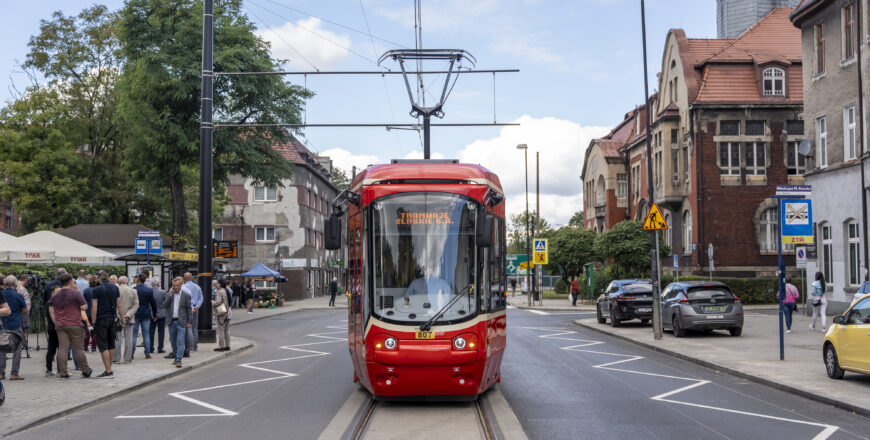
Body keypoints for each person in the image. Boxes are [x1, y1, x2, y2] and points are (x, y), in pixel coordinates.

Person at [47, 273, 92, 379]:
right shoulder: (75, 293)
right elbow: (84, 306)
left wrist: (56, 322)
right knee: (78, 349)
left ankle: (63, 372)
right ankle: (85, 370)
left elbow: (51, 310)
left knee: (63, 348)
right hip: (75, 324)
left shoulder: (55, 295)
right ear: (71, 281)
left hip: (60, 325)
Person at [91, 271, 120, 378]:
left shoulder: (97, 289)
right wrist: (123, 319)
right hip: (112, 318)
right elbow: (119, 305)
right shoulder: (115, 288)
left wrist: (93, 322)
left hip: (101, 319)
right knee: (111, 344)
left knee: (103, 345)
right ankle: (109, 367)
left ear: (99, 278)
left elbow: (94, 308)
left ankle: (107, 370)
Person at [1, 275, 27, 381]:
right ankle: (14, 373)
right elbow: (25, 309)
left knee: (1, 347)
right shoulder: (18, 295)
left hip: (3, 323)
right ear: (15, 284)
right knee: (17, 349)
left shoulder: (1, 294)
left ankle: (1, 373)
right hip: (15, 324)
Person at [163, 277, 192, 368]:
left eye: (177, 285)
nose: (176, 287)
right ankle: (176, 356)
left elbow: (189, 309)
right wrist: (169, 296)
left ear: (181, 285)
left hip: (181, 321)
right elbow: (165, 305)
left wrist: (189, 321)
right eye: (174, 285)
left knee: (180, 341)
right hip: (171, 321)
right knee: (172, 341)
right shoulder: (169, 294)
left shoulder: (185, 295)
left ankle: (179, 359)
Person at [43, 268, 65, 376]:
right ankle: (59, 369)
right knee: (60, 348)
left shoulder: (49, 300)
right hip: (57, 326)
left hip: (52, 327)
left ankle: (49, 369)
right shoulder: (57, 302)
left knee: (52, 348)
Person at [113, 276, 139, 364]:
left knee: (117, 338)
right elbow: (136, 305)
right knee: (129, 339)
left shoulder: (115, 290)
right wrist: (128, 315)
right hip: (129, 318)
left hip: (117, 318)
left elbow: (114, 304)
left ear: (119, 282)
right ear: (127, 282)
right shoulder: (133, 291)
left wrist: (119, 315)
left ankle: (116, 358)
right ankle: (127, 358)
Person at [132, 273, 157, 360]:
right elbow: (153, 303)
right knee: (146, 334)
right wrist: (155, 314)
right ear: (145, 280)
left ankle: (131, 353)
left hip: (135, 314)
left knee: (134, 334)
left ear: (138, 279)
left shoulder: (133, 289)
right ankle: (147, 353)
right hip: (146, 313)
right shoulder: (149, 290)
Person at [183, 272, 202, 353]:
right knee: (194, 328)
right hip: (195, 308)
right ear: (191, 278)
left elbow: (185, 300)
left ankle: (190, 346)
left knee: (189, 328)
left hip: (188, 309)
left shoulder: (183, 287)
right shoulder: (197, 287)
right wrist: (197, 306)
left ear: (184, 279)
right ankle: (195, 346)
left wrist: (190, 308)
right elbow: (201, 298)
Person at [149, 278, 168, 354]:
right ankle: (160, 348)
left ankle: (150, 348)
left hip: (151, 314)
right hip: (161, 314)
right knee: (161, 332)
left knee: (151, 332)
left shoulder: (149, 292)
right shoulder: (163, 292)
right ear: (158, 284)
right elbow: (166, 303)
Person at [212, 279, 231, 351]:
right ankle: (227, 345)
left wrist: (212, 302)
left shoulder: (220, 292)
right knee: (227, 330)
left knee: (221, 330)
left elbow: (219, 302)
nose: (216, 285)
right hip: (228, 312)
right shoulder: (226, 291)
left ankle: (221, 346)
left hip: (222, 313)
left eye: (217, 284)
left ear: (220, 284)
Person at [82, 278, 98, 352]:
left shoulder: (86, 290)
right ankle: (94, 347)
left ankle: (85, 346)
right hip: (95, 311)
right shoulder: (97, 290)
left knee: (87, 329)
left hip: (87, 310)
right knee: (94, 330)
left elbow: (83, 301)